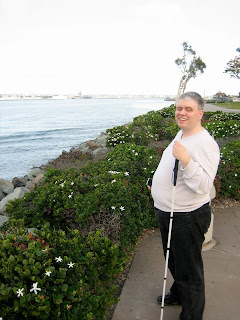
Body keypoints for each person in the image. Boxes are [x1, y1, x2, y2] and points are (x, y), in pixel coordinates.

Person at [150, 92, 220, 320]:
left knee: (190, 273)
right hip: (168, 212)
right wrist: (155, 184)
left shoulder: (205, 144)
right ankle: (178, 295)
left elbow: (203, 185)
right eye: (179, 108)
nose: (182, 112)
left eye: (188, 109)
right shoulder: (183, 133)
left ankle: (191, 315)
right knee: (174, 261)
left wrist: (187, 159)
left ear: (200, 113)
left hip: (186, 218)